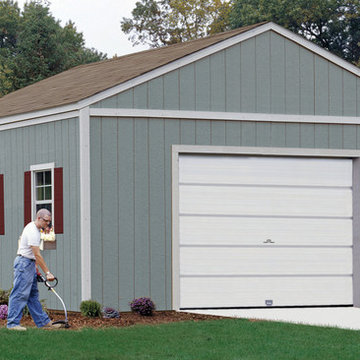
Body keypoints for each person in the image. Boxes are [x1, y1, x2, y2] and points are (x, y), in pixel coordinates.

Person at [7, 209, 62, 330]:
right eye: (46, 221)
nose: (48, 223)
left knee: (32, 295)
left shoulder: (36, 230)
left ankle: (43, 323)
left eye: (49, 221)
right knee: (19, 293)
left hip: (29, 264)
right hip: (24, 264)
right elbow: (37, 254)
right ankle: (12, 324)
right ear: (39, 218)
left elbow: (32, 254)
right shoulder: (32, 230)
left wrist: (35, 267)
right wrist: (47, 272)